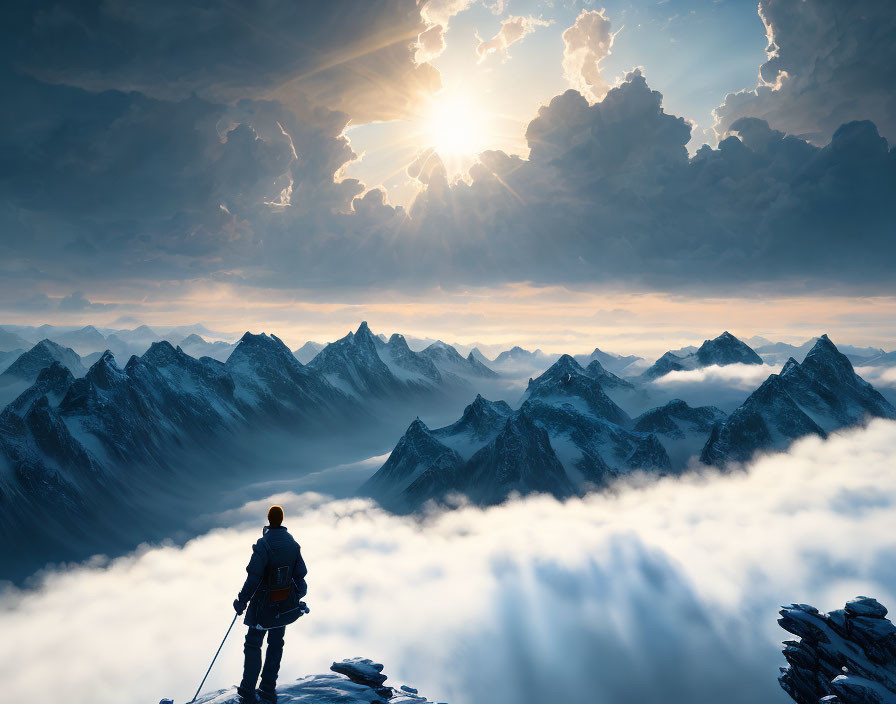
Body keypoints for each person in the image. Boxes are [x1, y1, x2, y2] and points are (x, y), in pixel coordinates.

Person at [233, 505, 308, 703]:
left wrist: (242, 601)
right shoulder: (293, 545)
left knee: (253, 644)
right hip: (283, 605)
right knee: (276, 643)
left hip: (262, 607)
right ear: (282, 520)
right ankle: (268, 687)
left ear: (268, 519)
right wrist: (296, 596)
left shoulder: (263, 545)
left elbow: (254, 578)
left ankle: (248, 690)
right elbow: (300, 576)